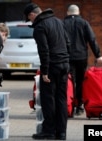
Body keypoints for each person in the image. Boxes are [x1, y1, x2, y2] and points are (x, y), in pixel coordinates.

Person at [24, 3, 70, 140]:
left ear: (32, 14)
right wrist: (68, 63)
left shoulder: (40, 27)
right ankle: (61, 133)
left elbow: (44, 51)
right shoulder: (58, 21)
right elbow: (68, 43)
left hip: (52, 66)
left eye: (29, 18)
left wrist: (44, 71)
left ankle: (49, 131)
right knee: (61, 99)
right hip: (64, 65)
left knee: (48, 100)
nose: (30, 21)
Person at [63, 4, 102, 116]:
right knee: (80, 81)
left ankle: (69, 106)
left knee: (69, 81)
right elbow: (92, 39)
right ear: (78, 12)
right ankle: (80, 106)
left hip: (67, 57)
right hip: (81, 57)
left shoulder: (62, 24)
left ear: (68, 12)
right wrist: (98, 55)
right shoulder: (84, 23)